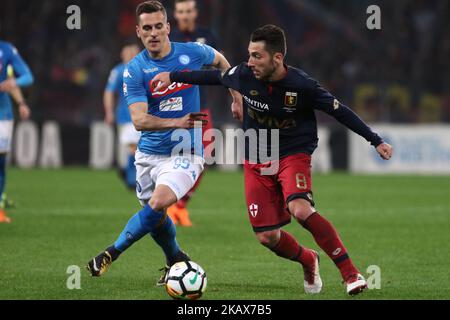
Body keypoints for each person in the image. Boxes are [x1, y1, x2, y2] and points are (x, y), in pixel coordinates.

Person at [152, 24, 393, 295]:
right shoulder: (243, 75)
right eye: (249, 55)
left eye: (257, 56)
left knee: (300, 209)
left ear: (277, 58)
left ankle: (350, 274)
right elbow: (213, 77)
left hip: (293, 153)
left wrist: (375, 140)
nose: (250, 62)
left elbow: (341, 112)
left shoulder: (302, 86)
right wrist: (171, 75)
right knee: (267, 236)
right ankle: (308, 259)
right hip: (257, 156)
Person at [86, 1, 240, 286]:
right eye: (147, 28)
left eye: (159, 26)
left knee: (158, 203)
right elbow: (139, 121)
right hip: (148, 154)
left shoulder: (191, 52)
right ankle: (176, 259)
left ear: (168, 27)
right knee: (155, 217)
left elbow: (222, 63)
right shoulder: (134, 70)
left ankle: (111, 252)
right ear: (138, 32)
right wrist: (177, 121)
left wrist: (236, 98)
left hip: (187, 150)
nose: (154, 32)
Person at [165, 0, 222, 226]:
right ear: (176, 15)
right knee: (172, 156)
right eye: (181, 11)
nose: (185, 15)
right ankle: (167, 205)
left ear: (195, 13)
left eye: (189, 11)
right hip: (174, 106)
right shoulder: (169, 39)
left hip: (201, 106)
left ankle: (180, 206)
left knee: (205, 155)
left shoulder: (208, 36)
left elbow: (220, 64)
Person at [0, 40, 33, 223]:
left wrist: (20, 102)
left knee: (0, 163)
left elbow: (27, 76)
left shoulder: (6, 50)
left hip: (2, 114)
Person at [104, 42, 141, 190]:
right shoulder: (119, 71)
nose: (131, 55)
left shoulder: (145, 68)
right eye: (128, 53)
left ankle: (127, 171)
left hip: (145, 115)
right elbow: (108, 92)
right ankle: (131, 180)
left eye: (134, 52)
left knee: (141, 148)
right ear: (122, 55)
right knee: (133, 147)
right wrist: (109, 111)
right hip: (126, 117)